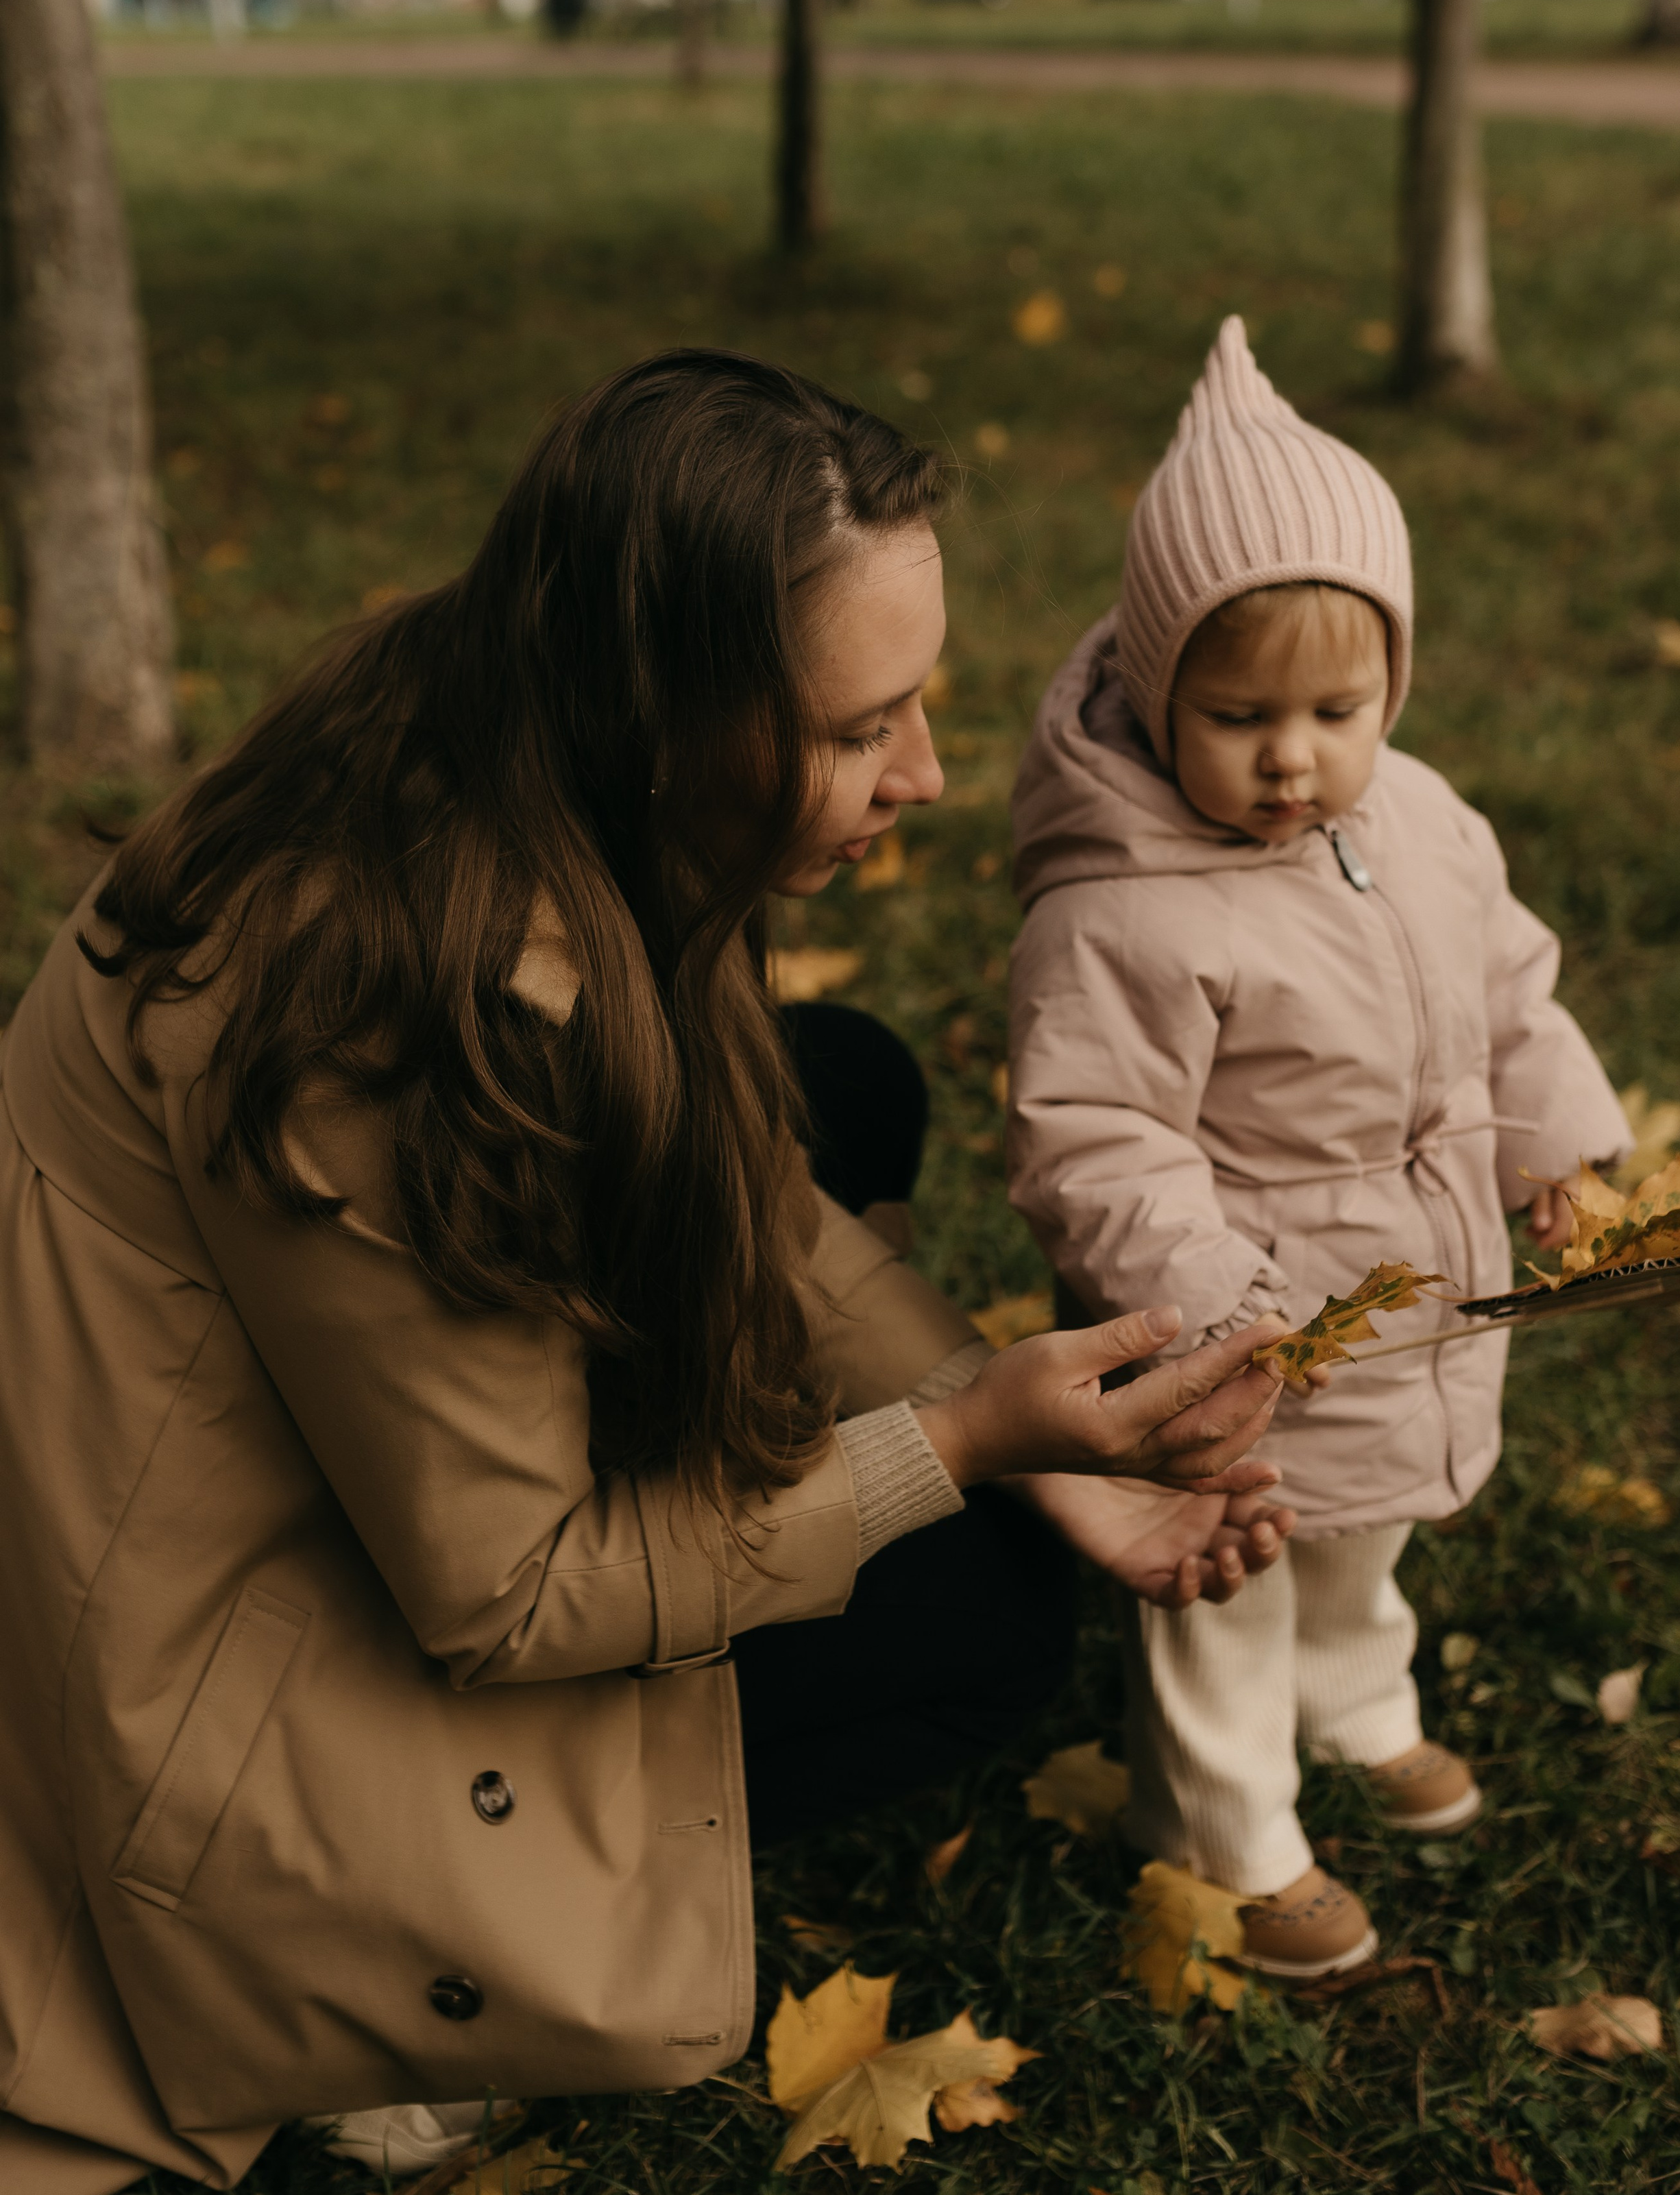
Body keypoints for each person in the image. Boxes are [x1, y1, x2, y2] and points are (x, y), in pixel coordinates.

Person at [0, 350, 1298, 2193]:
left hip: (232, 1446)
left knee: (838, 1089)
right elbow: (510, 1595)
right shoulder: (404, 1028)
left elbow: (746, 1168)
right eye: (862, 730)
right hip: (206, 1686)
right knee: (985, 1610)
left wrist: (1050, 1437)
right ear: (665, 717)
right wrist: (958, 1446)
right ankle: (363, 1988)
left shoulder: (477, 709)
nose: (921, 772)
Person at [1004, 319, 1631, 1981]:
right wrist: (1218, 1299)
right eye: (1237, 714)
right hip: (1233, 1319)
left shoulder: (1417, 817)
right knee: (1233, 1557)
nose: (1292, 756)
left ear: (1390, 687)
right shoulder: (1122, 910)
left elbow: (1504, 982)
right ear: (1152, 691)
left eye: (1335, 707)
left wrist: (1552, 1137)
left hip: (1401, 1281)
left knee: (1362, 1530)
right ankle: (1222, 1822)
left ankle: (1353, 1698)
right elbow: (1093, 1134)